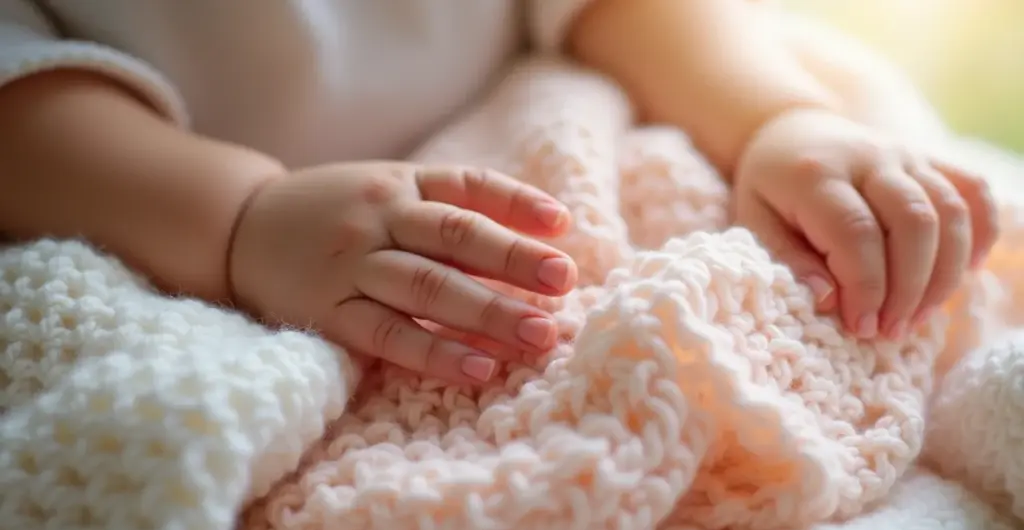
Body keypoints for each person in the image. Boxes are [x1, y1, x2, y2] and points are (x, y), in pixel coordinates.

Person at [0, 0, 998, 384]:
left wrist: (774, 119)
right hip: (170, 222)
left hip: (556, 120)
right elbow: (27, 103)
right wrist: (238, 218)